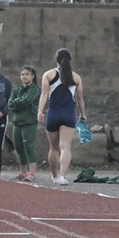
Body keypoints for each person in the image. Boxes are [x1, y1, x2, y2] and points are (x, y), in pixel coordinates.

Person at [38, 48, 87, 186]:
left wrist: (40, 111)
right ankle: (63, 176)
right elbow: (80, 100)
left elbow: (44, 95)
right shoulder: (76, 77)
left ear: (56, 60)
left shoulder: (48, 74)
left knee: (53, 148)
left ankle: (54, 176)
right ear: (70, 60)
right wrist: (83, 114)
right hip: (68, 115)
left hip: (53, 114)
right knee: (65, 147)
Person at [8, 66, 41, 183]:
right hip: (17, 123)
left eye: (27, 74)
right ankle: (22, 172)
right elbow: (10, 104)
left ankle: (32, 172)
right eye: (22, 74)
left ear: (32, 76)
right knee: (19, 148)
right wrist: (17, 102)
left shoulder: (35, 89)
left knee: (29, 147)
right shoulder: (16, 90)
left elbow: (27, 101)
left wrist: (17, 102)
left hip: (29, 123)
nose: (24, 76)